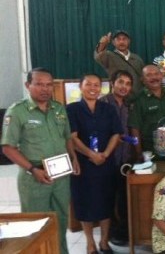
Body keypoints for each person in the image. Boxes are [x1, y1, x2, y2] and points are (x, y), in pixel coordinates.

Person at [1, 67, 80, 254]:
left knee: (61, 219)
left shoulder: (58, 109)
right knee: (35, 225)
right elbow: (7, 147)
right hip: (34, 176)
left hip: (61, 174)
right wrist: (32, 169)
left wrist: (74, 158)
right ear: (28, 85)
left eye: (48, 85)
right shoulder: (18, 111)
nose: (45, 89)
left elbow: (67, 137)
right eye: (39, 84)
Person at [67, 74, 123, 254]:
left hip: (106, 163)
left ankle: (104, 242)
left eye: (97, 85)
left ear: (102, 88)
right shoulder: (72, 109)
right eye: (88, 84)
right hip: (82, 164)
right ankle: (90, 243)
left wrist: (105, 154)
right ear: (80, 86)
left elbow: (116, 133)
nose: (93, 88)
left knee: (106, 202)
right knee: (85, 203)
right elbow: (72, 138)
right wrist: (91, 154)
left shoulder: (108, 108)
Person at [99, 70, 133, 246]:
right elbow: (95, 131)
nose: (124, 87)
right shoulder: (102, 103)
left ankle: (124, 231)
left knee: (124, 197)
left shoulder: (130, 105)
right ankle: (110, 233)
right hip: (106, 158)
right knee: (108, 197)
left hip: (125, 158)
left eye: (128, 84)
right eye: (121, 82)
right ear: (112, 83)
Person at [128, 65, 165, 161]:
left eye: (156, 74)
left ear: (161, 76)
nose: (154, 77)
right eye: (149, 75)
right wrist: (138, 152)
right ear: (142, 79)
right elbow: (134, 129)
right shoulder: (139, 100)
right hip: (151, 151)